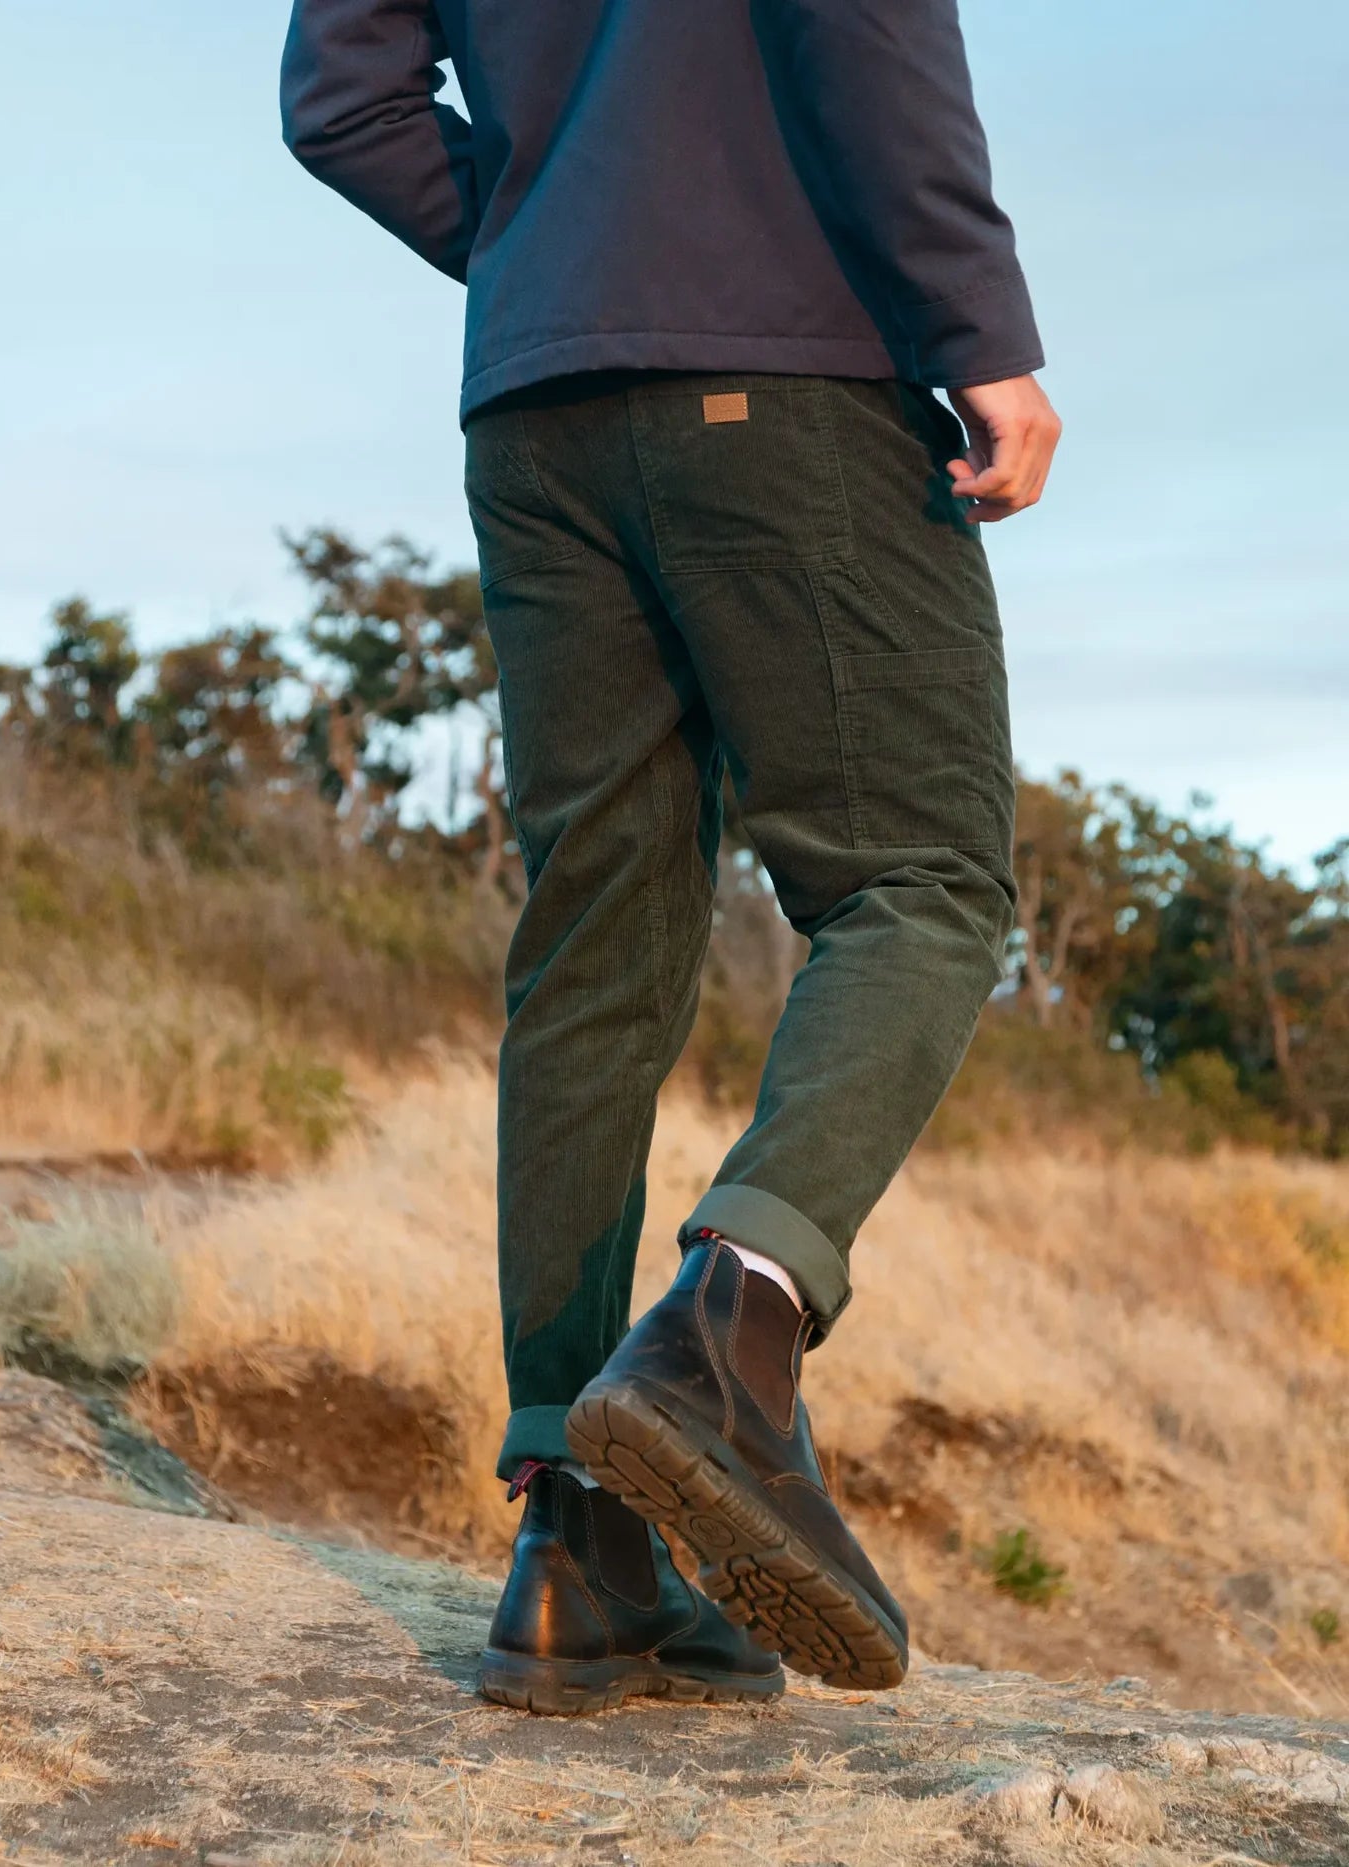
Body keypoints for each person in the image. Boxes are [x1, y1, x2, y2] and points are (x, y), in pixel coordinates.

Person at [280, 0, 1061, 1717]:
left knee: (592, 958)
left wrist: (550, 236)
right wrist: (979, 326)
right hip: (788, 369)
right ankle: (737, 1331)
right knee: (923, 888)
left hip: (537, 407)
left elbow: (342, 101)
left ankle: (579, 1548)